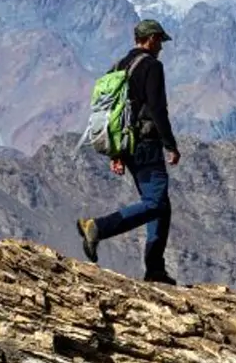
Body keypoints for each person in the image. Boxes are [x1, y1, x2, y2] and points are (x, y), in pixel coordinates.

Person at [78, 19, 182, 282]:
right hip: (146, 144)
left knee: (162, 205)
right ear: (151, 39)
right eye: (160, 41)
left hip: (126, 144)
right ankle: (98, 227)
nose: (161, 47)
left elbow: (114, 111)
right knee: (155, 202)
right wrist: (170, 145)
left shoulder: (119, 66)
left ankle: (155, 269)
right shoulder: (152, 66)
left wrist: (117, 153)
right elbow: (157, 109)